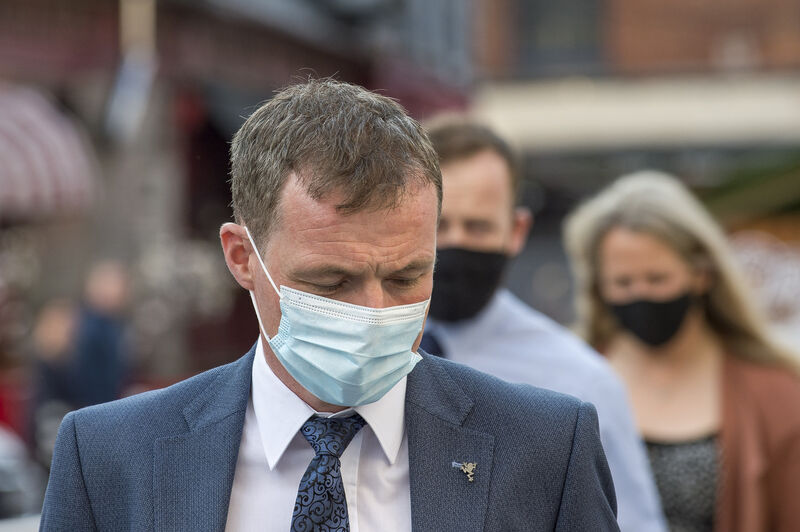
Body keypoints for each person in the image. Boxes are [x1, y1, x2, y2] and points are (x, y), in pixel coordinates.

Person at [40, 80, 618, 531]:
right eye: (330, 281)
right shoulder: (110, 458)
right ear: (242, 257)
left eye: (406, 276)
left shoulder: (544, 447)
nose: (372, 311)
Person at [422, 120, 665, 532]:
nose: (454, 242)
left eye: (477, 226)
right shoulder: (350, 352)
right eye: (437, 225)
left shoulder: (578, 381)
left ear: (517, 231)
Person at [563, 171, 800, 532]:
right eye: (623, 282)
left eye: (657, 279)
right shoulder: (566, 380)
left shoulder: (776, 392)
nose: (640, 294)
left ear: (701, 274)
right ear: (598, 286)